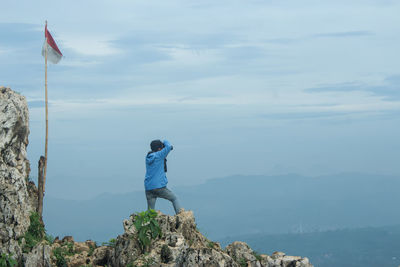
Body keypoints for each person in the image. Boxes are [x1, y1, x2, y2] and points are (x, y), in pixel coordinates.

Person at [144, 139, 182, 214]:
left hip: (148, 187)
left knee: (150, 211)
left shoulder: (148, 157)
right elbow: (168, 146)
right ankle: (181, 217)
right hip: (158, 187)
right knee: (174, 198)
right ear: (159, 149)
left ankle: (148, 224)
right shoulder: (159, 155)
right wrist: (164, 142)